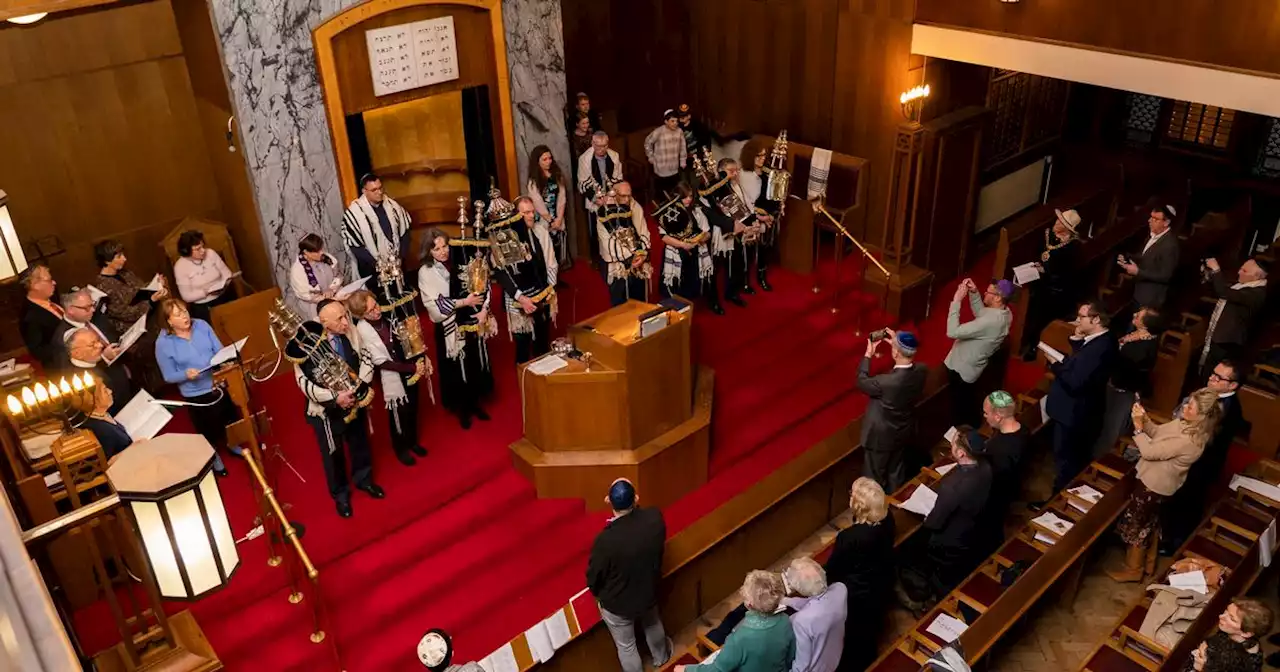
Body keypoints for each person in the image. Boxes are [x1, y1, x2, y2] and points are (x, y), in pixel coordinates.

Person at [1107, 388, 1220, 582]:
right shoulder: (1185, 423)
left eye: (1190, 406)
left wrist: (1138, 428)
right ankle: (1149, 564)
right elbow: (1158, 433)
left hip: (1154, 486)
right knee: (1149, 523)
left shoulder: (1191, 441)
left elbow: (1150, 452)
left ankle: (1134, 570)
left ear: (1201, 416)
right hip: (1151, 481)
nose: (1184, 407)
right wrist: (1144, 419)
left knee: (1138, 526)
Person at [295, 299, 382, 518]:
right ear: (324, 323)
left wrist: (358, 387)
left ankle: (364, 479)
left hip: (354, 398)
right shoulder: (304, 341)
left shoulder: (349, 329)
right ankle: (341, 495)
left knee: (359, 441)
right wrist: (336, 398)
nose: (346, 321)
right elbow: (303, 382)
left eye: (345, 315)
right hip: (326, 410)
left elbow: (366, 356)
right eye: (340, 318)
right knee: (333, 453)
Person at [898, 432, 992, 612]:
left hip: (950, 541)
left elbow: (935, 522)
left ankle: (940, 606)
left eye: (954, 445)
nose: (951, 447)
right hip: (972, 528)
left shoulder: (953, 486)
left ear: (962, 453)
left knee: (918, 556)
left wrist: (927, 519)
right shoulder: (985, 467)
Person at [1161, 360, 1248, 554]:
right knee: (1176, 500)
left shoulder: (1229, 409)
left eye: (1219, 377)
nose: (1212, 378)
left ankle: (1175, 544)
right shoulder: (1211, 394)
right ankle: (1165, 535)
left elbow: (1205, 438)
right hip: (1189, 457)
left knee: (1188, 504)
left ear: (1233, 385)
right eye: (1212, 373)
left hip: (1201, 464)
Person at [586, 479, 671, 672]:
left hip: (618, 604)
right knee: (653, 623)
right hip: (648, 591)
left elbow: (594, 577)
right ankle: (662, 658)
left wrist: (597, 592)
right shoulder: (654, 518)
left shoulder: (606, 540)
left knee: (627, 646)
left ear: (609, 501)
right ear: (636, 498)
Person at [154, 298, 243, 477]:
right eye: (178, 315)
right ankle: (214, 455)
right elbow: (168, 376)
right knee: (207, 428)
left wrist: (225, 361)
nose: (185, 317)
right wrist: (185, 374)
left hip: (218, 382)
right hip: (196, 393)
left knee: (229, 417)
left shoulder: (201, 325)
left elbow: (219, 350)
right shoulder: (163, 343)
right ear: (169, 321)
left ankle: (232, 443)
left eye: (185, 311)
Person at [418, 228, 495, 430]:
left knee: (472, 362)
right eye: (437, 249)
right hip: (449, 327)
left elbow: (479, 283)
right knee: (455, 366)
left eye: (445, 246)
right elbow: (435, 305)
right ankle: (462, 409)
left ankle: (476, 402)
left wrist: (481, 307)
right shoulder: (425, 272)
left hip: (469, 321)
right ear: (429, 252)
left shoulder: (459, 261)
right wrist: (464, 302)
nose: (443, 252)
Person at [1042, 300, 1116, 498]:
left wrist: (1054, 365)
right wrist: (1076, 339)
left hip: (1074, 413)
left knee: (1066, 460)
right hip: (1077, 410)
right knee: (1067, 458)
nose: (1077, 320)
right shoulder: (1101, 339)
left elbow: (1076, 381)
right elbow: (1079, 363)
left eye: (1082, 317)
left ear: (1096, 319)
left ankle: (1057, 500)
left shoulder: (1100, 348)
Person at [348, 290, 431, 466]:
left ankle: (412, 441)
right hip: (392, 373)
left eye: (376, 305)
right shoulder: (363, 329)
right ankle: (400, 448)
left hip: (408, 364)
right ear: (361, 315)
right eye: (370, 311)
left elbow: (409, 332)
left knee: (413, 406)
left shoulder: (387, 313)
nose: (377, 311)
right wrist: (411, 367)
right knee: (398, 412)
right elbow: (380, 361)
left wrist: (419, 358)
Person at [823, 477, 895, 672]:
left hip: (856, 596)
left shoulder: (850, 538)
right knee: (869, 631)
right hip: (880, 585)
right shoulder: (888, 520)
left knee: (854, 638)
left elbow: (833, 570)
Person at [676, 570, 796, 672]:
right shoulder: (785, 621)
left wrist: (687, 669)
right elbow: (790, 658)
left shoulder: (740, 639)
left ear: (749, 603)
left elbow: (716, 670)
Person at [857, 330, 928, 491]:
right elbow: (912, 363)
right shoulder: (922, 371)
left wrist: (868, 354)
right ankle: (896, 502)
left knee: (873, 479)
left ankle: (875, 512)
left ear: (895, 352)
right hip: (902, 431)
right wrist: (900, 342)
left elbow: (862, 381)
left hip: (880, 438)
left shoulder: (886, 382)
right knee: (896, 472)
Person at [491, 194, 558, 363]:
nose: (531, 216)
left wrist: (549, 290)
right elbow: (501, 273)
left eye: (532, 211)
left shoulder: (540, 231)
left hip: (542, 292)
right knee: (523, 343)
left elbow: (551, 262)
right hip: (518, 298)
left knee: (542, 339)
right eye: (525, 213)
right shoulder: (505, 239)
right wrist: (521, 298)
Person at [943, 278, 1013, 428]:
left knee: (957, 410)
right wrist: (974, 293)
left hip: (961, 369)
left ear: (998, 298)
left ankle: (958, 439)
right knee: (967, 404)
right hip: (974, 368)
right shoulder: (1006, 313)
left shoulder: (991, 322)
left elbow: (952, 331)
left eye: (988, 292)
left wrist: (956, 301)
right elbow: (982, 315)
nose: (984, 294)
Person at [1093, 306, 1162, 459]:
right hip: (1114, 385)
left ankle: (1097, 460)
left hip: (1121, 390)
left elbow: (1121, 363)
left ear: (1145, 325)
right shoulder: (1140, 335)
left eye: (1139, 316)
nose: (1134, 314)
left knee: (1110, 429)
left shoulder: (1142, 349)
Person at [970, 391, 1030, 554]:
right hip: (1012, 486)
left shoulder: (1000, 449)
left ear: (997, 416)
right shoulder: (1023, 429)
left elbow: (992, 477)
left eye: (986, 412)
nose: (984, 416)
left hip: (996, 496)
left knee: (990, 530)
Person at [1020, 208, 1082, 360]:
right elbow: (1036, 252)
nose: (1056, 222)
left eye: (1061, 222)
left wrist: (1047, 270)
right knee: (1030, 316)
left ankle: (1036, 347)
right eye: (1058, 219)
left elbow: (1069, 272)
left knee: (1043, 321)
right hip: (1038, 285)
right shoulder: (1046, 234)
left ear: (1068, 228)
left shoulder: (1073, 247)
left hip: (1055, 291)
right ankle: (1025, 341)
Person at [1199, 256, 1268, 376]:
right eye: (1241, 268)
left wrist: (1216, 270)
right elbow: (1221, 290)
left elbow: (1225, 293)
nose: (1239, 272)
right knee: (1206, 371)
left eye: (1244, 271)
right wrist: (1209, 274)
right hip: (1219, 338)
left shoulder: (1257, 293)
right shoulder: (1245, 285)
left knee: (1213, 374)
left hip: (1228, 342)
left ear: (1257, 277)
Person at [655, 184, 717, 312]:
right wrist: (683, 245)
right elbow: (664, 237)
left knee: (696, 279)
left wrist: (700, 240)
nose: (688, 199)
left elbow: (707, 231)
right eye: (684, 197)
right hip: (677, 251)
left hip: (695, 250)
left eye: (690, 196)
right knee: (676, 283)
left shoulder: (696, 210)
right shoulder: (669, 212)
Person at [342, 173, 411, 284]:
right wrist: (378, 265)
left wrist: (400, 257)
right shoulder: (354, 213)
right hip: (373, 270)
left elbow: (405, 232)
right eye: (374, 190)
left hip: (397, 265)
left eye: (380, 188)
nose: (379, 192)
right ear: (364, 191)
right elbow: (355, 246)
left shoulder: (393, 206)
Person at [781, 557, 846, 672]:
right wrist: (786, 601)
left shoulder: (802, 621)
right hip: (835, 657)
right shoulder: (840, 589)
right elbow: (816, 601)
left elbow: (803, 665)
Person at [94, 239, 169, 338]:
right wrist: (151, 301)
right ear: (107, 261)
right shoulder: (103, 287)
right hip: (136, 331)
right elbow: (123, 313)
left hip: (151, 319)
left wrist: (156, 283)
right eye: (119, 256)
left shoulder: (125, 273)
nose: (124, 259)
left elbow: (140, 288)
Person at [597, 181, 652, 305]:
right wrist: (630, 257)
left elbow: (643, 230)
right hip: (618, 263)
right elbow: (608, 242)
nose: (627, 199)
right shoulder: (604, 212)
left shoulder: (635, 206)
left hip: (639, 258)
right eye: (623, 196)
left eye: (629, 195)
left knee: (640, 299)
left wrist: (642, 253)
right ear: (614, 194)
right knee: (620, 302)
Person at [1117, 204, 1179, 310]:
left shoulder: (1170, 245)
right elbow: (1146, 257)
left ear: (1166, 222)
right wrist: (1127, 258)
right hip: (1139, 293)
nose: (1150, 221)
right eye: (1151, 217)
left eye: (1155, 219)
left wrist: (1138, 272)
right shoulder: (1152, 236)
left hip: (1150, 299)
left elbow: (1166, 275)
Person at [578, 131, 624, 262]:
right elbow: (582, 183)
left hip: (611, 198)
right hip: (594, 201)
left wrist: (611, 196)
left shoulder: (614, 156)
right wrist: (597, 199)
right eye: (598, 146)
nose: (602, 149)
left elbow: (618, 177)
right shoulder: (584, 159)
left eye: (605, 145)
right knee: (594, 232)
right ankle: (596, 259)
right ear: (592, 144)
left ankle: (614, 253)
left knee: (613, 227)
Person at [65, 328, 134, 416]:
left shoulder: (92, 362)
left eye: (98, 340)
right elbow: (104, 409)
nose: (100, 345)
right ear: (77, 353)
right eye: (92, 344)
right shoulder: (82, 382)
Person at [173, 230, 237, 323]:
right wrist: (206, 292)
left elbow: (227, 274)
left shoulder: (211, 253)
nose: (203, 251)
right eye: (198, 249)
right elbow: (186, 296)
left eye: (203, 246)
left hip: (224, 296)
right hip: (203, 306)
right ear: (186, 251)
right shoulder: (180, 266)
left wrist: (223, 285)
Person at [1190, 599, 1270, 672]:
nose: (1221, 616)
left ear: (1246, 633)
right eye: (1226, 611)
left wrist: (1204, 668)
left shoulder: (1230, 660)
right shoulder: (1234, 636)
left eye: (1232, 619)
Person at [19, 264, 72, 371]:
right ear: (35, 285)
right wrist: (70, 344)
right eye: (49, 280)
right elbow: (38, 352)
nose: (54, 283)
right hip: (63, 368)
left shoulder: (52, 299)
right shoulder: (30, 317)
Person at [527, 145, 571, 268]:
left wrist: (559, 219)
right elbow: (538, 202)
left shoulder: (557, 175)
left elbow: (562, 198)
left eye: (549, 158)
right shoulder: (533, 180)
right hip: (542, 219)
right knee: (546, 248)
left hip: (557, 216)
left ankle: (558, 274)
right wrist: (550, 220)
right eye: (544, 159)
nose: (548, 162)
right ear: (537, 161)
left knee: (559, 247)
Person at [290, 233, 344, 321]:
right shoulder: (298, 271)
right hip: (315, 306)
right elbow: (306, 294)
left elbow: (338, 275)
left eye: (321, 248)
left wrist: (332, 289)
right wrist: (325, 298)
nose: (322, 252)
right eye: (317, 251)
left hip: (335, 296)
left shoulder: (327, 258)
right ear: (306, 252)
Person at [82, 383, 134, 458]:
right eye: (105, 390)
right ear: (94, 401)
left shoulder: (102, 415)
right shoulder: (101, 430)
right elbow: (110, 461)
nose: (110, 391)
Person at [644, 109, 687, 198]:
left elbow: (683, 147)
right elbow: (647, 142)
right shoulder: (658, 132)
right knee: (662, 195)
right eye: (672, 121)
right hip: (661, 170)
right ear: (666, 122)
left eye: (676, 121)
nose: (675, 123)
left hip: (674, 168)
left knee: (675, 192)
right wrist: (650, 157)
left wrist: (683, 161)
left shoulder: (679, 131)